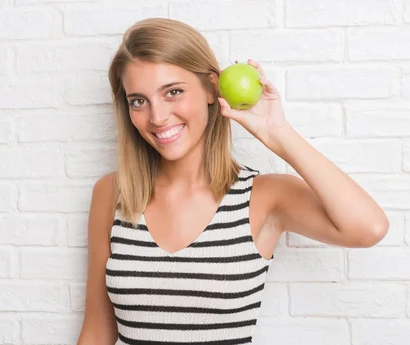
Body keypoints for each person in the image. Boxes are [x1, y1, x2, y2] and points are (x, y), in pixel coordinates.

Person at [76, 18, 389, 345]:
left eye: (173, 92)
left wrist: (277, 133)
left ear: (211, 89)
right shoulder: (112, 193)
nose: (157, 117)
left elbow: (368, 228)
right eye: (138, 100)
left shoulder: (263, 197)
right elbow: (98, 332)